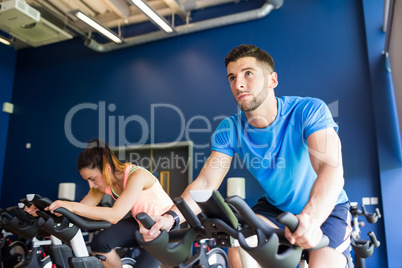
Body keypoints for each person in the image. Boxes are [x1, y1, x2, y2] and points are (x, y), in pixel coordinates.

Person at [140, 44, 351, 267]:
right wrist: (171, 218)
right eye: (232, 77)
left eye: (248, 73)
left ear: (272, 80)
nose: (238, 84)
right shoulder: (229, 129)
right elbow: (206, 183)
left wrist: (311, 217)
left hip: (326, 209)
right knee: (240, 247)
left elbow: (330, 168)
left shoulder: (308, 110)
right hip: (276, 208)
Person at [26, 139, 174, 268]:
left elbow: (115, 215)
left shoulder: (137, 176)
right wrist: (45, 210)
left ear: (106, 168)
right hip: (141, 223)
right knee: (99, 243)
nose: (91, 186)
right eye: (87, 181)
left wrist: (69, 205)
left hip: (164, 226)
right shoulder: (103, 185)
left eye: (92, 178)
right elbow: (77, 211)